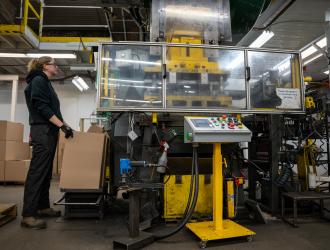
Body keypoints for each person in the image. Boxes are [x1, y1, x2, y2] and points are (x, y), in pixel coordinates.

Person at [22, 56, 74, 229]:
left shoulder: (44, 81)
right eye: (54, 64)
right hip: (43, 130)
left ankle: (43, 207)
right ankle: (28, 215)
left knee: (45, 172)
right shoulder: (38, 80)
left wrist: (65, 126)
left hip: (48, 130)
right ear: (45, 66)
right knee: (37, 172)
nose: (57, 67)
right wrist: (61, 126)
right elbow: (42, 107)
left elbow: (53, 110)